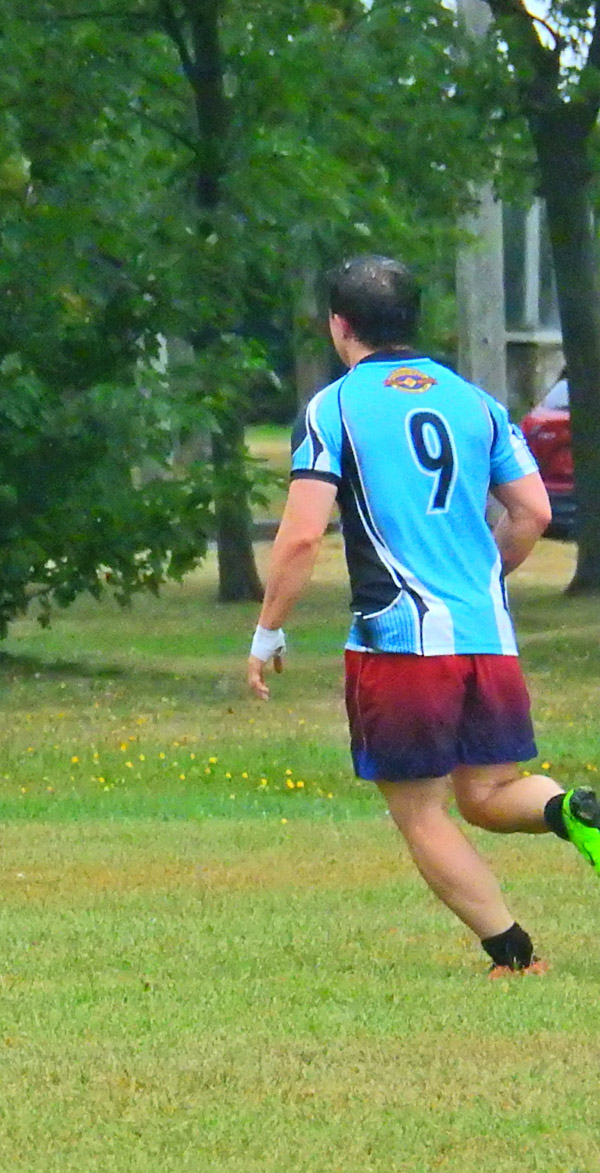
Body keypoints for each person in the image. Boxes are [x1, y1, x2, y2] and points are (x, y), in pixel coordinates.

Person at [248, 254, 600, 976]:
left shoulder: (335, 406)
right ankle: (577, 811)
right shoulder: (476, 403)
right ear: (413, 321)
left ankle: (514, 952)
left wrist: (267, 629)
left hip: (402, 641)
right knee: (489, 792)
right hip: (488, 636)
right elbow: (532, 511)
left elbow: (303, 533)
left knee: (421, 810)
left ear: (339, 325)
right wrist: (482, 578)